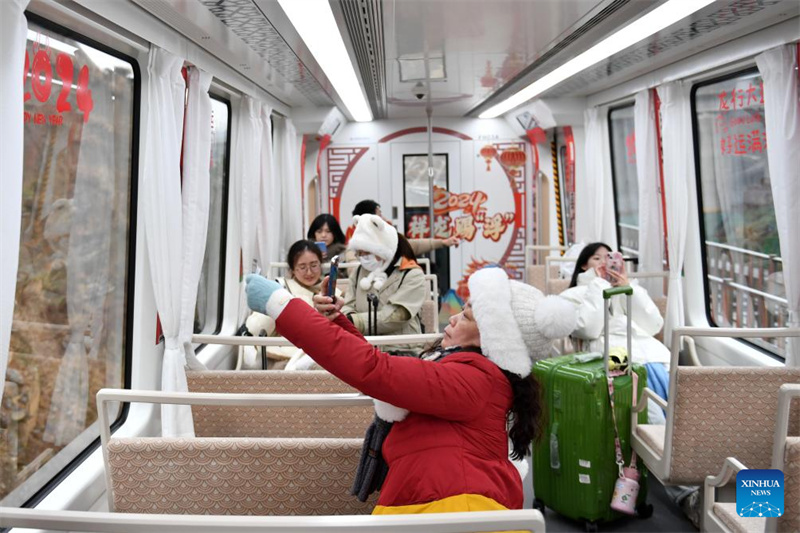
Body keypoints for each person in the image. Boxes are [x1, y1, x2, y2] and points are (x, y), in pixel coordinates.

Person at [244, 266, 577, 515]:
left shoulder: (474, 382)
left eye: (467, 316)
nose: (452, 319)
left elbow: (376, 371)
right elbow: (393, 378)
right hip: (438, 506)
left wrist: (282, 306)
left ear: (493, 336)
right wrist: (336, 321)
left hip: (455, 513)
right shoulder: (472, 375)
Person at [243, 240, 339, 370]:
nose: (309, 272)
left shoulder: (335, 293)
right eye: (303, 267)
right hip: (284, 355)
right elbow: (258, 327)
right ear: (293, 269)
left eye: (314, 265)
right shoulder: (280, 289)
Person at [342, 215, 427, 347]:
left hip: (401, 348)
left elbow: (398, 315)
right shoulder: (358, 272)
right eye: (359, 253)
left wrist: (355, 322)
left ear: (383, 248)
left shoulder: (412, 274)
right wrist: (348, 318)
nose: (363, 257)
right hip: (364, 345)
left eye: (367, 252)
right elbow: (348, 304)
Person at [348, 199, 460, 256]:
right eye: (380, 214)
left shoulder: (390, 240)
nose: (386, 219)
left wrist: (443, 242)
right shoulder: (355, 247)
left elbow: (413, 245)